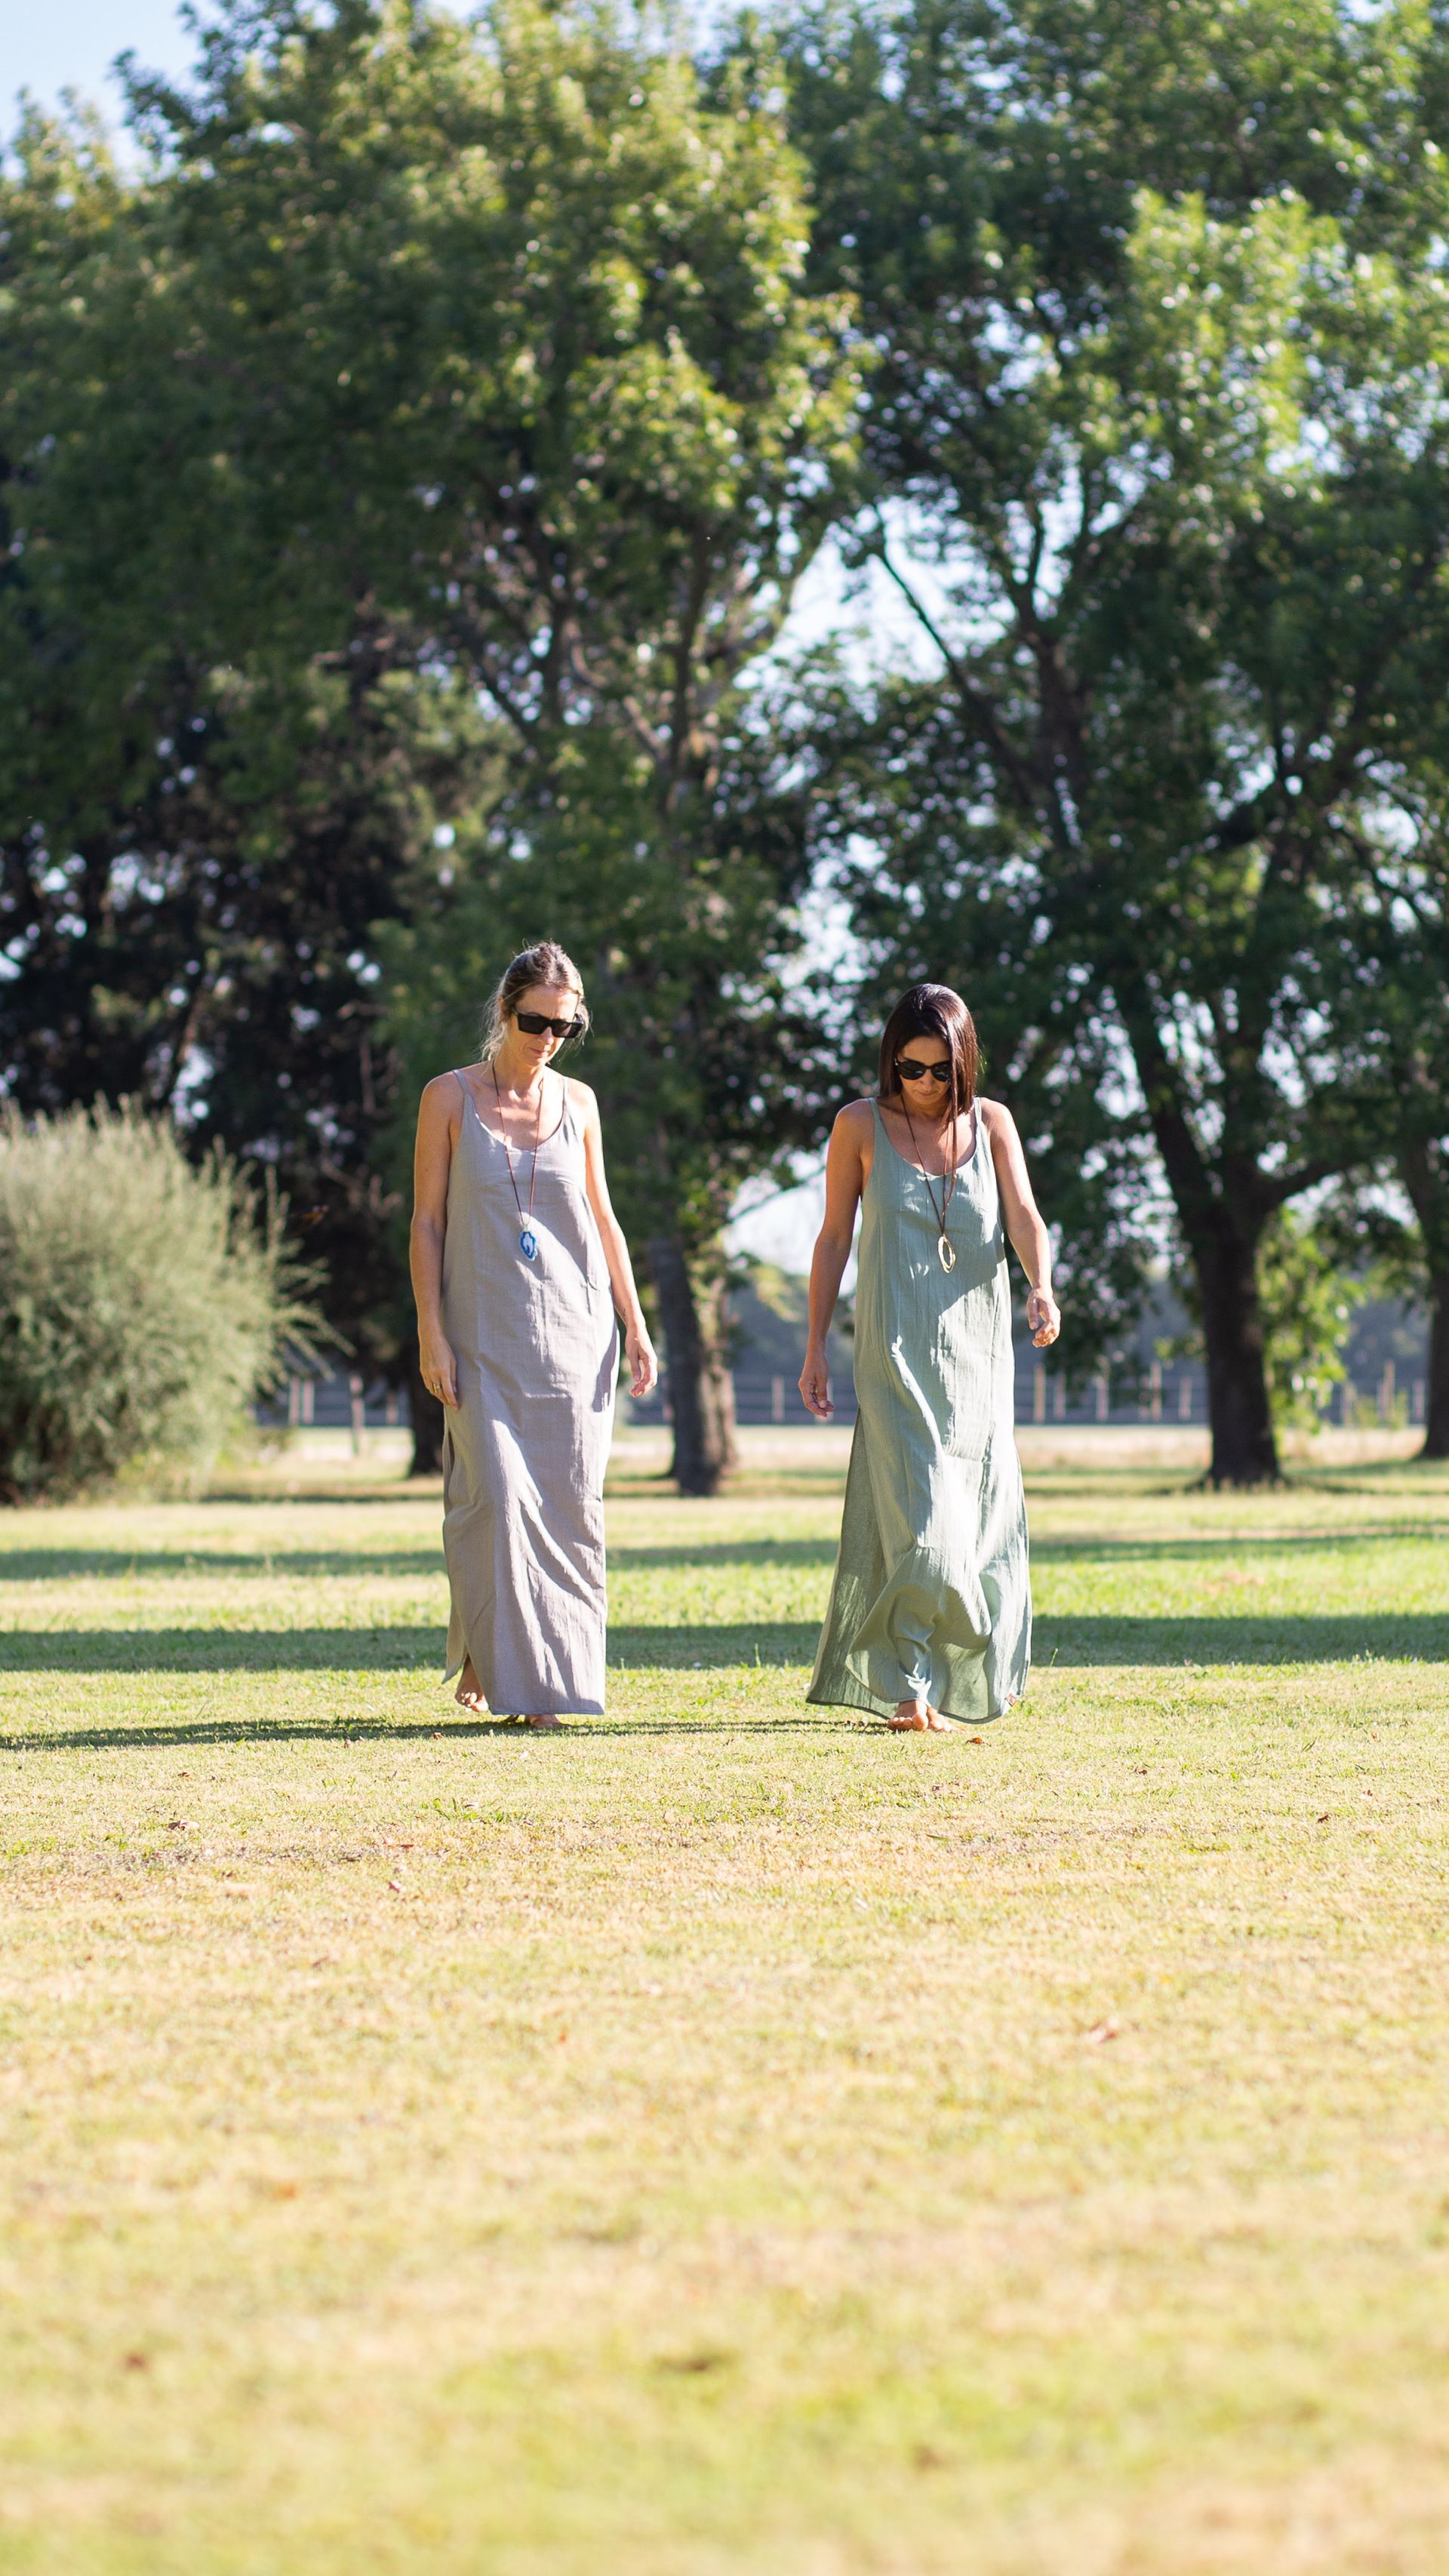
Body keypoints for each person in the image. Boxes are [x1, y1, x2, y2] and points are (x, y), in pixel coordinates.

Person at [799, 982, 1060, 1733]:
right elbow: (832, 1240)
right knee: (923, 1522)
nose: (923, 1085)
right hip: (892, 1352)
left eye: (939, 1070)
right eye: (909, 1069)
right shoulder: (858, 1125)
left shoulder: (995, 1125)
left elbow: (1024, 1215)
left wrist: (1041, 1287)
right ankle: (909, 1689)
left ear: (964, 1062)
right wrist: (816, 1345)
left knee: (980, 1519)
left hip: (978, 1354)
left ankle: (974, 1672)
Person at [409, 942, 657, 1728]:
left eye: (566, 1024)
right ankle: (515, 1672)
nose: (549, 1036)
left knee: (567, 1505)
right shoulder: (447, 1099)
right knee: (496, 1500)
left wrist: (637, 1323)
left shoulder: (578, 1105)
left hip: (575, 1335)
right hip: (482, 1333)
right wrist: (430, 1331)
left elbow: (603, 1218)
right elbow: (425, 1223)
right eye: (535, 1020)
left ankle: (541, 1681)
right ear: (505, 1009)